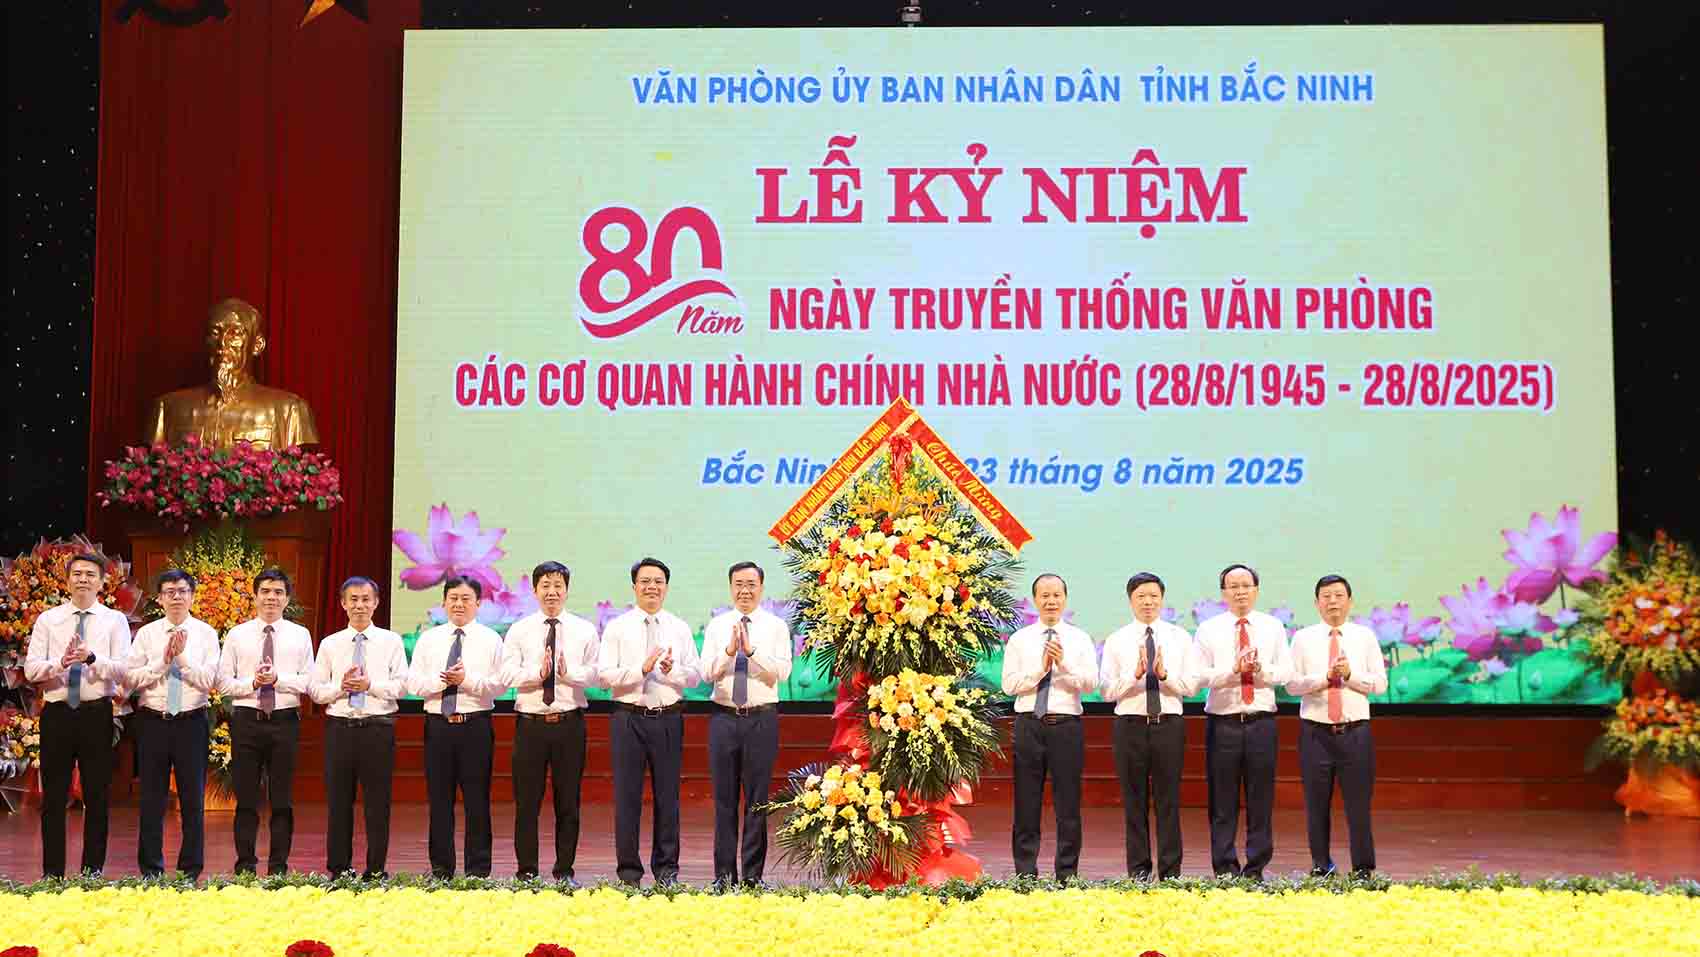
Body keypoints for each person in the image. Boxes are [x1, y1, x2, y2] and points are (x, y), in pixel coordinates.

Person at [24, 552, 132, 877]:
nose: (83, 579)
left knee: (97, 796)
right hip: (57, 714)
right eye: (77, 573)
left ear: (101, 582)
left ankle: (92, 872)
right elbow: (31, 670)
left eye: (90, 574)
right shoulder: (48, 619)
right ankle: (52, 874)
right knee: (53, 798)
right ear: (67, 579)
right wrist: (61, 663)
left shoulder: (115, 620)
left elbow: (124, 670)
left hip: (95, 714)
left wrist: (91, 658)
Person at [598, 557, 702, 886]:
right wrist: (640, 670)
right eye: (645, 581)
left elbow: (697, 676)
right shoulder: (617, 627)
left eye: (658, 581)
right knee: (627, 798)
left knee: (667, 798)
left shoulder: (679, 628)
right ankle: (628, 873)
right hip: (628, 718)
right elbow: (603, 677)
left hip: (668, 719)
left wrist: (674, 671)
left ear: (666, 588)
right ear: (634, 587)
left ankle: (667, 870)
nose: (651, 587)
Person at [501, 561, 599, 883]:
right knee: (526, 804)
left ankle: (564, 872)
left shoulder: (584, 630)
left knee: (567, 802)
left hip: (569, 724)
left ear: (567, 590)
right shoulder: (519, 629)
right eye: (545, 585)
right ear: (534, 590)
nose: (552, 591)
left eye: (558, 585)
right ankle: (526, 872)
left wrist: (569, 674)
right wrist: (536, 675)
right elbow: (506, 675)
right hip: (530, 725)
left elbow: (597, 673)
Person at [1098, 572, 1198, 880]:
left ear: (1162, 599)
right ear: (1130, 600)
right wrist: (1136, 674)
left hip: (1168, 724)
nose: (1148, 601)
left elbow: (1192, 687)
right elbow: (1106, 691)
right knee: (1134, 802)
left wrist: (1165, 675)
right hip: (1130, 726)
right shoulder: (1117, 640)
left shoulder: (1180, 637)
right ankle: (1138, 872)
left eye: (1154, 595)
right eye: (1141, 596)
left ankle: (1171, 873)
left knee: (1169, 800)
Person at [1286, 574, 1387, 877]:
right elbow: (1291, 686)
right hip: (1315, 732)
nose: (1333, 602)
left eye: (1338, 595)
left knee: (1358, 805)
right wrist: (1324, 678)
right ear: (1317, 603)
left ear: (1350, 601)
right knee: (1316, 805)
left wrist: (1350, 674)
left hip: (1355, 731)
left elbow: (1380, 684)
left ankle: (1363, 869)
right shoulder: (1302, 638)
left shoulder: (1364, 636)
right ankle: (1321, 865)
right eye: (1326, 596)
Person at [1195, 563, 1291, 880]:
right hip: (1223, 722)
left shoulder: (1273, 627)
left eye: (1245, 585)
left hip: (1261, 721)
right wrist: (1232, 671)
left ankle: (1256, 868)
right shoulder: (1208, 629)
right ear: (1223, 592)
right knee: (1222, 799)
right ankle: (1224, 867)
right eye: (1233, 586)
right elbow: (1198, 677)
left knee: (1260, 798)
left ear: (1256, 590)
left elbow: (1286, 674)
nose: (1240, 591)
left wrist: (1260, 670)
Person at [309, 576, 409, 879]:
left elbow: (402, 686)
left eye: (366, 599)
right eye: (353, 599)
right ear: (342, 603)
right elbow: (315, 690)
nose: (359, 605)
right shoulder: (330, 644)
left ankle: (376, 869)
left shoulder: (391, 641)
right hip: (340, 728)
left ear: (376, 603)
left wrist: (370, 685)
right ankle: (339, 869)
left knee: (378, 803)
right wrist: (341, 688)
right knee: (339, 803)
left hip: (378, 728)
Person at [701, 561, 792, 888]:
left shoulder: (776, 627)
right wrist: (729, 651)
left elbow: (782, 672)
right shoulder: (717, 626)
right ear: (730, 587)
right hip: (724, 718)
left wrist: (750, 651)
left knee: (757, 801)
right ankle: (724, 878)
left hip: (761, 719)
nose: (744, 590)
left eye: (751, 584)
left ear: (761, 588)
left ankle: (753, 878)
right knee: (724, 802)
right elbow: (706, 672)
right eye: (738, 584)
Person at [126, 569, 221, 880]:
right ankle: (150, 871)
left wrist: (181, 660)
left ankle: (190, 871)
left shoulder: (206, 634)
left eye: (182, 591)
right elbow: (131, 678)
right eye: (170, 591)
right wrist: (163, 661)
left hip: (191, 722)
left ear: (192, 596)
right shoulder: (147, 635)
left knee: (193, 799)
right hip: (153, 722)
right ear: (160, 598)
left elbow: (210, 680)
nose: (177, 597)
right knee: (151, 799)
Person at [219, 567, 315, 875]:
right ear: (255, 596)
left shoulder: (300, 635)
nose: (271, 598)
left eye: (278, 592)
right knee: (246, 798)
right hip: (247, 720)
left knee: (282, 799)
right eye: (265, 592)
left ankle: (278, 867)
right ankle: (245, 865)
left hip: (285, 721)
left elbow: (308, 682)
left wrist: (278, 679)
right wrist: (253, 683)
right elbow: (223, 683)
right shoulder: (238, 634)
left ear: (287, 599)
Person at [1000, 573, 1097, 880]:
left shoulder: (1080, 639)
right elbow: (1009, 685)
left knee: (1068, 804)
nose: (1051, 600)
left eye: (1056, 595)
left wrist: (1064, 665)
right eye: (1044, 595)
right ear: (1035, 600)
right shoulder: (1020, 639)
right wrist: (1040, 669)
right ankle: (1025, 873)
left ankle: (1067, 873)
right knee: (1026, 803)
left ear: (1065, 599)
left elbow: (1092, 683)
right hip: (1029, 725)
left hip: (1066, 725)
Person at [409, 574, 506, 878]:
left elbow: (499, 686)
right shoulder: (429, 639)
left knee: (477, 802)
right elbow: (413, 683)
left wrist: (467, 681)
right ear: (443, 603)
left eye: (466, 599)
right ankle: (441, 870)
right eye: (453, 598)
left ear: (478, 603)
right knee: (439, 801)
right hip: (438, 726)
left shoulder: (491, 639)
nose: (459, 604)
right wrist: (441, 681)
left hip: (475, 726)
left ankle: (478, 872)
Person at [143, 297, 320, 450]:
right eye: (215, 332)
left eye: (235, 333)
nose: (222, 343)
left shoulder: (290, 410)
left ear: (257, 345)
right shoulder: (168, 408)